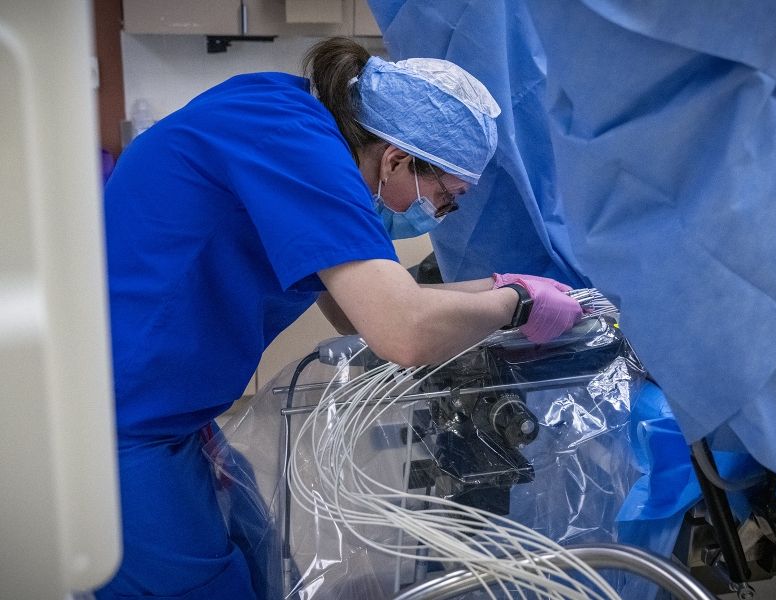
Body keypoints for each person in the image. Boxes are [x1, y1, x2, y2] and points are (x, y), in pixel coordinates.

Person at [96, 37, 583, 599]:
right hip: (115, 426)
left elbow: (358, 311)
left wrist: (504, 286)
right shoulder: (292, 141)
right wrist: (516, 306)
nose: (438, 216)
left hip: (172, 414)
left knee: (257, 564)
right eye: (444, 198)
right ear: (397, 158)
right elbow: (401, 330)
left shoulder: (297, 122)